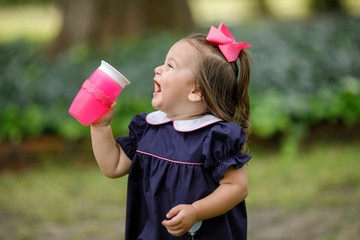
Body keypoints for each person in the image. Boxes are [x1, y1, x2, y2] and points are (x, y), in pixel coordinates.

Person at [90, 23, 253, 240]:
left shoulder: (214, 137)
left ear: (196, 91)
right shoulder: (149, 128)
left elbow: (237, 187)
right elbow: (114, 165)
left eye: (170, 66)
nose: (158, 69)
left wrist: (196, 211)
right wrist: (100, 127)